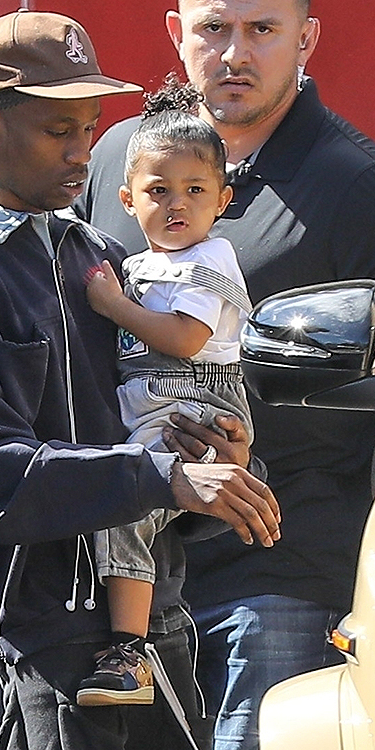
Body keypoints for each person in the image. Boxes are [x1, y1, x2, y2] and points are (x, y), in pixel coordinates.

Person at [0, 9, 281, 750]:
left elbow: (158, 434)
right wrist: (163, 476)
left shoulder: (91, 251)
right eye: (60, 128)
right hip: (46, 636)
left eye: (90, 129)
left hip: (155, 615)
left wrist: (216, 457)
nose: (81, 151)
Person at [76, 0, 375, 750]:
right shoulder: (114, 162)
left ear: (307, 38)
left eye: (263, 29)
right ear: (177, 35)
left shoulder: (357, 182)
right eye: (213, 28)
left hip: (278, 551)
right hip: (130, 553)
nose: (236, 52)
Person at [77, 77, 253, 708]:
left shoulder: (212, 260)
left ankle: (130, 654)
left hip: (195, 405)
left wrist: (111, 305)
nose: (176, 205)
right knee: (108, 494)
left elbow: (182, 338)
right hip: (147, 404)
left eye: (195, 190)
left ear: (223, 199)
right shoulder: (138, 263)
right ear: (126, 198)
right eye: (158, 191)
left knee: (129, 499)